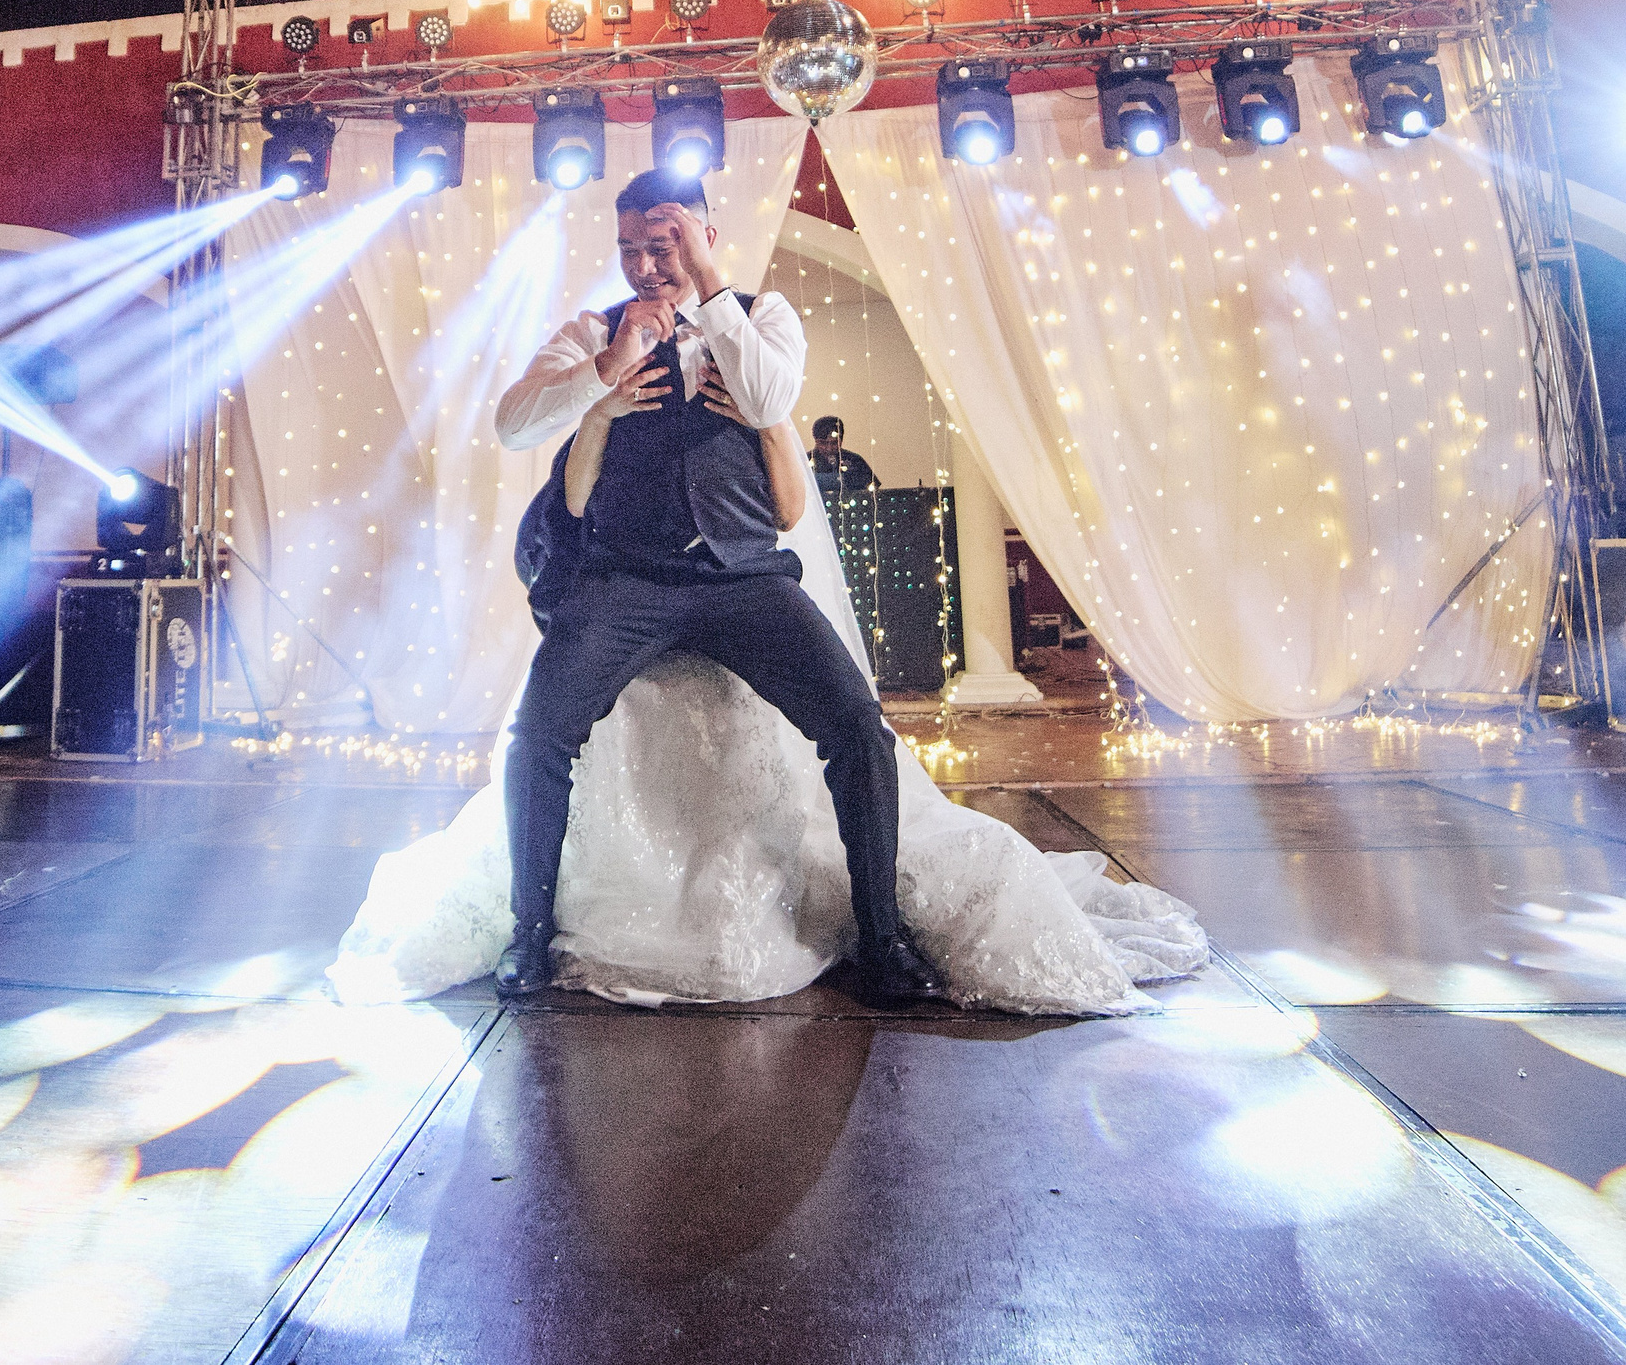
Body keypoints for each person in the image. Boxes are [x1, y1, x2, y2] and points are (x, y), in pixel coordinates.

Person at [325, 172, 1210, 1016]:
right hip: (624, 579)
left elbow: (770, 393)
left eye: (667, 242)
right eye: (632, 245)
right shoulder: (593, 330)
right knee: (539, 732)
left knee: (857, 727)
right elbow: (514, 422)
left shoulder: (760, 315)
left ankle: (882, 934)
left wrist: (710, 293)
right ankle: (528, 931)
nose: (645, 263)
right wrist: (604, 375)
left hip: (742, 577)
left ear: (706, 236)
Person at [808, 416, 876, 493]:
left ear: (841, 441)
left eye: (834, 443)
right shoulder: (805, 461)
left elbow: (872, 490)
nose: (829, 448)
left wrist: (852, 474)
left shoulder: (855, 460)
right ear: (816, 441)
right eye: (823, 443)